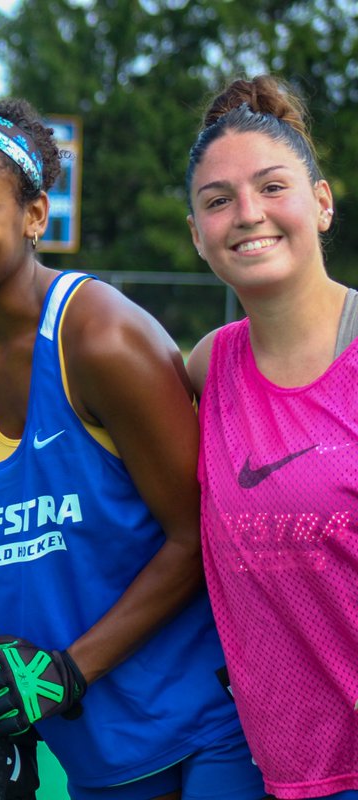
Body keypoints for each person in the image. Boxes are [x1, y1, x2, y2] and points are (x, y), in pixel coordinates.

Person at [0, 101, 265, 800]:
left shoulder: (99, 338)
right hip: (92, 741)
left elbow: (198, 536)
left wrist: (65, 671)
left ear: (35, 214)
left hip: (205, 728)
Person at [185, 75, 358, 800]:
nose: (247, 214)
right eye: (218, 200)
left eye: (272, 187)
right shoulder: (206, 368)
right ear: (197, 234)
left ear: (322, 202)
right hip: (262, 765)